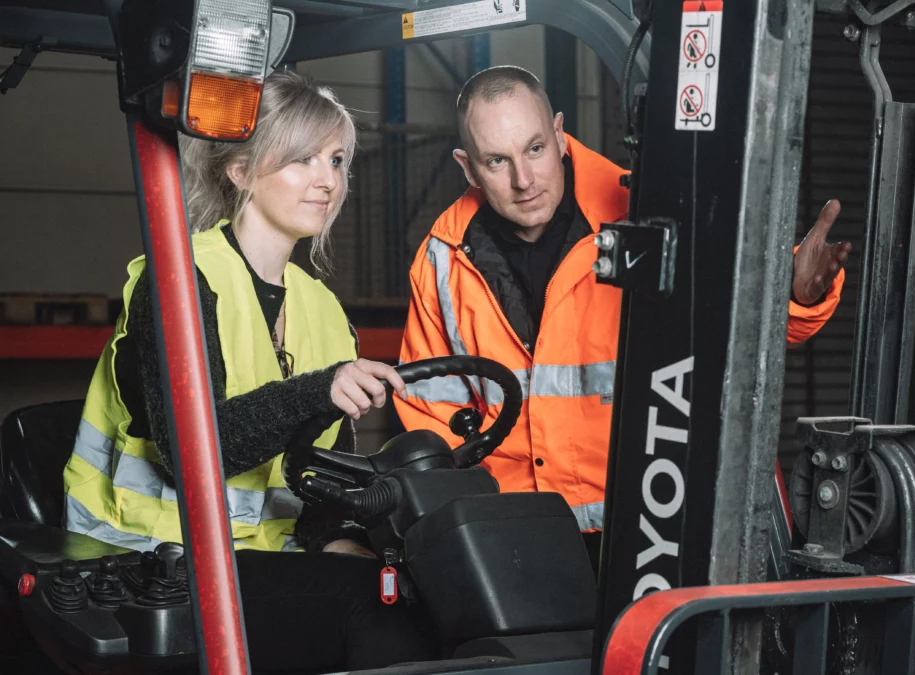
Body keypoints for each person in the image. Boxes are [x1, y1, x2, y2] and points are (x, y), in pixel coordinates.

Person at [394, 66, 851, 569]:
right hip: (515, 538)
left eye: (535, 149)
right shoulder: (444, 260)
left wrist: (795, 295)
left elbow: (744, 330)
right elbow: (432, 421)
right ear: (468, 167)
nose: (523, 180)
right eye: (497, 161)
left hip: (649, 527)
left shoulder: (646, 214)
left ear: (561, 135)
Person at [61, 71, 436, 672]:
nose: (326, 180)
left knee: (414, 584)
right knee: (371, 608)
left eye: (337, 160)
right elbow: (192, 456)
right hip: (147, 555)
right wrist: (318, 390)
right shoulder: (180, 283)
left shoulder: (324, 311)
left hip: (262, 552)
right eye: (301, 159)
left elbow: (320, 479)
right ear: (240, 172)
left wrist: (342, 540)